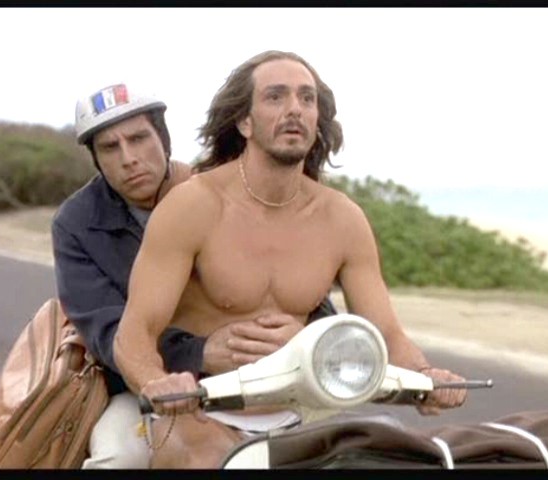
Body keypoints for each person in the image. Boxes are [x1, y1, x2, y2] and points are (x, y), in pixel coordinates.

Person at [113, 51, 469, 469]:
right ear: (244, 122)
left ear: (317, 120)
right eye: (275, 97)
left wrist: (426, 376)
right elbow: (134, 333)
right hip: (203, 413)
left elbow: (387, 334)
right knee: (206, 459)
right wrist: (157, 382)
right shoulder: (193, 205)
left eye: (306, 98)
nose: (295, 109)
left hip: (302, 412)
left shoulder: (342, 218)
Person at [52, 83, 338, 468]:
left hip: (260, 383)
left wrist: (302, 336)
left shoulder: (225, 193)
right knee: (119, 458)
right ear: (96, 159)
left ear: (163, 138)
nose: (129, 159)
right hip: (147, 387)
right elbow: (105, 329)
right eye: (109, 147)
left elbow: (305, 289)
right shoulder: (76, 224)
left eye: (139, 139)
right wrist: (197, 354)